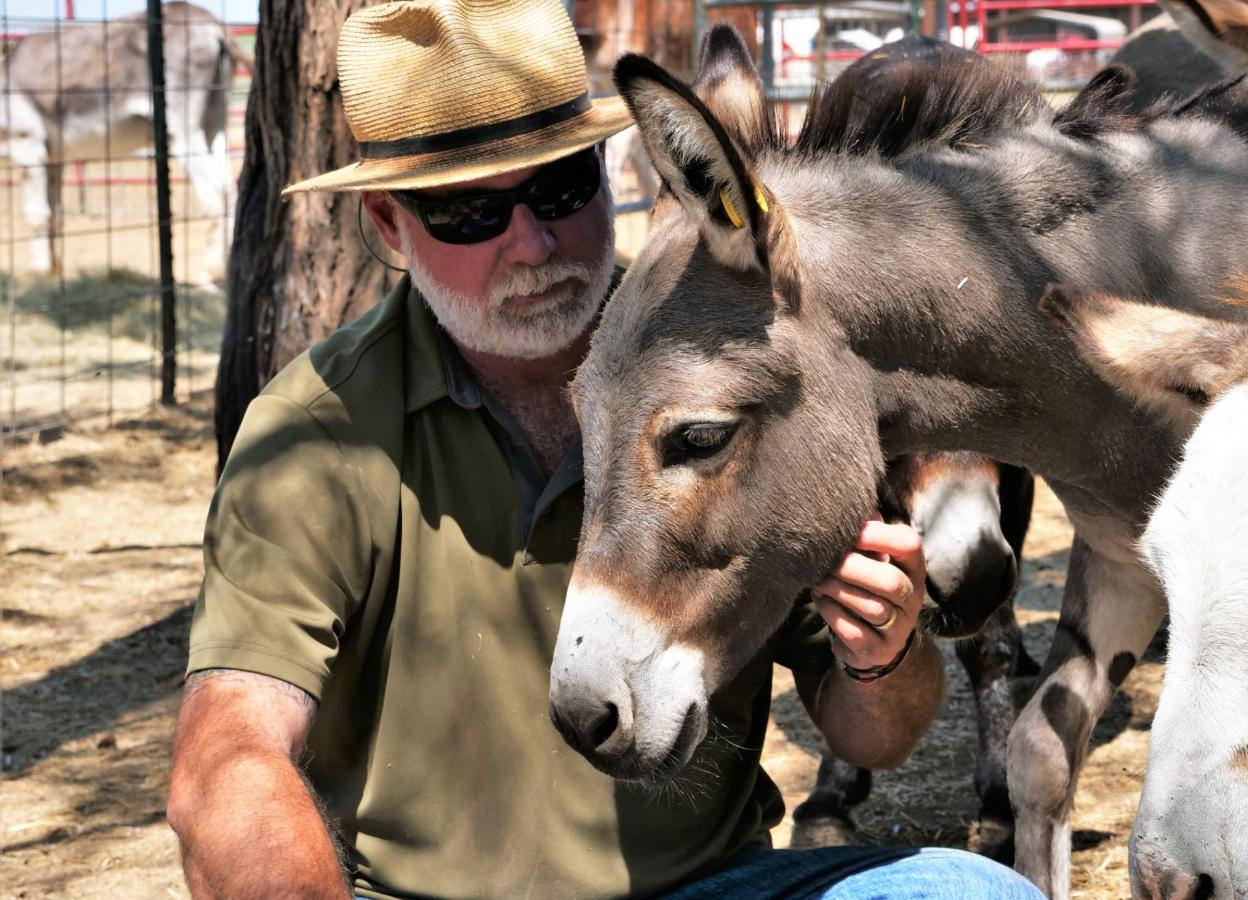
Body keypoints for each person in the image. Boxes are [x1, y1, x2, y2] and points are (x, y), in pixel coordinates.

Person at [165, 1, 1045, 898]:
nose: (532, 242)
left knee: (981, 892)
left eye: (560, 185)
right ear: (390, 225)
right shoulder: (317, 430)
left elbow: (878, 736)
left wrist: (882, 655)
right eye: (468, 211)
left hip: (713, 886)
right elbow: (228, 752)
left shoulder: (734, 364)